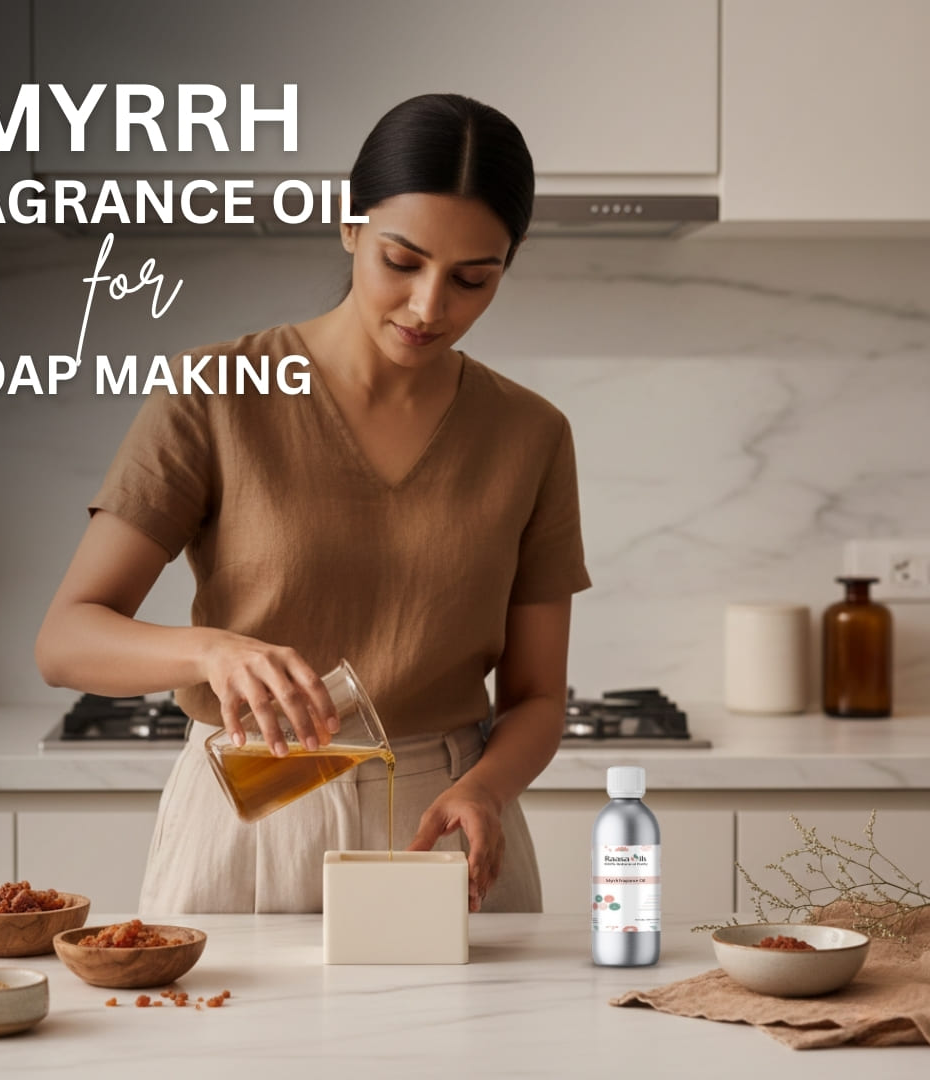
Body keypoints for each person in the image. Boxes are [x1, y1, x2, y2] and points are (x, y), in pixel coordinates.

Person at [35, 93, 590, 915]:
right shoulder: (217, 391)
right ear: (349, 226)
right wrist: (212, 653)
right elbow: (65, 639)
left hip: (441, 821)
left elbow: (539, 696)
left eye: (473, 279)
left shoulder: (531, 434)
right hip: (252, 804)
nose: (430, 307)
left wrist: (488, 788)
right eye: (401, 262)